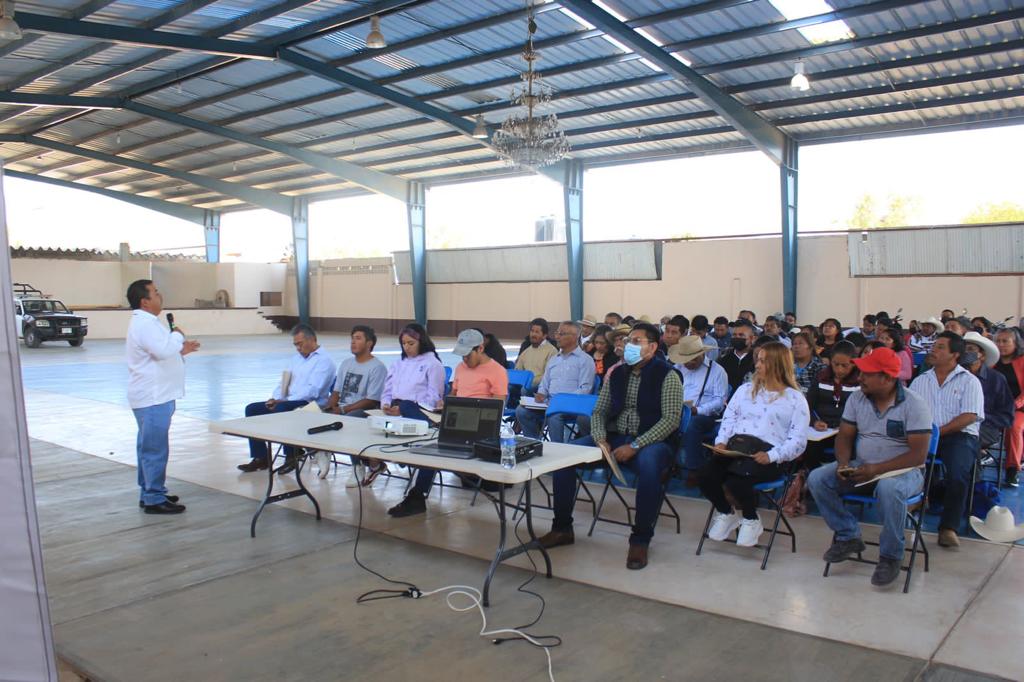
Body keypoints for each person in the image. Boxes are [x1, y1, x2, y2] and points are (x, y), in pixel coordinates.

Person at [539, 323, 683, 570]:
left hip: (651, 441)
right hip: (613, 438)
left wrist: (636, 445)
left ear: (652, 347)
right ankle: (562, 528)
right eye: (629, 341)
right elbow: (599, 412)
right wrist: (599, 437)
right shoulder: (617, 373)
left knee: (650, 468)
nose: (629, 346)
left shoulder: (668, 376)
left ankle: (640, 540)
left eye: (637, 342)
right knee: (566, 457)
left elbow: (670, 420)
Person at [806, 348, 933, 587]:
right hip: (864, 467)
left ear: (887, 378)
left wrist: (878, 469)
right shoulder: (857, 398)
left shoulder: (914, 405)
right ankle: (848, 535)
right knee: (817, 478)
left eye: (867, 373)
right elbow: (844, 437)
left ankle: (891, 556)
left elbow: (918, 456)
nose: (860, 377)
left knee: (889, 488)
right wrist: (843, 464)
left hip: (905, 472)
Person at [390, 329, 509, 517]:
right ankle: (417, 491)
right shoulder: (461, 368)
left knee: (436, 448)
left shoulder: (497, 371)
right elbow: (454, 393)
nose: (464, 360)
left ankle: (417, 495)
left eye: (467, 355)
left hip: (479, 426)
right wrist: (445, 402)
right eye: (461, 356)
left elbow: (498, 406)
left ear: (480, 348)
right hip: (455, 418)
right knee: (409, 409)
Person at [701, 342, 809, 547]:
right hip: (738, 448)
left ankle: (751, 519)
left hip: (768, 455)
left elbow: (798, 440)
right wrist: (721, 442)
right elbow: (729, 418)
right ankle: (726, 512)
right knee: (706, 475)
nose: (757, 365)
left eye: (763, 361)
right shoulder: (745, 390)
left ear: (778, 365)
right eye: (758, 360)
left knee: (737, 480)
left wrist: (773, 455)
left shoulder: (795, 399)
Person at [125, 279, 200, 514]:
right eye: (155, 293)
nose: (160, 295)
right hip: (153, 398)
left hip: (156, 396)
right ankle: (154, 498)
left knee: (148, 447)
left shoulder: (148, 323)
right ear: (144, 302)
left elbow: (161, 354)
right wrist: (177, 337)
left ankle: (149, 491)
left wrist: (180, 351)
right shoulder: (145, 324)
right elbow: (162, 351)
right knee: (155, 449)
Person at [910, 332, 985, 548]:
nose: (933, 349)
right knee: (902, 462)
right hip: (925, 434)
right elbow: (909, 411)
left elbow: (969, 416)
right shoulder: (920, 381)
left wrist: (937, 433)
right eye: (934, 345)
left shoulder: (969, 381)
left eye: (941, 347)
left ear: (955, 354)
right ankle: (913, 502)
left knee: (958, 473)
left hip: (958, 435)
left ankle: (948, 527)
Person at [239, 324, 335, 475]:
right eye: (295, 344)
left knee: (283, 409)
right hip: (288, 401)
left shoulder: (324, 361)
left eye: (300, 343)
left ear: (312, 340)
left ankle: (292, 456)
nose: (297, 348)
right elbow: (284, 382)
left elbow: (313, 391)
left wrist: (285, 402)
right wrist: (275, 398)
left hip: (311, 404)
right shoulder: (295, 359)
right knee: (252, 409)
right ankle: (261, 457)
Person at [382, 324, 447, 517]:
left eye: (411, 343)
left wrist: (403, 408)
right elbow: (387, 389)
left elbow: (434, 397)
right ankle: (374, 465)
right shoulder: (398, 363)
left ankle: (417, 491)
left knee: (408, 407)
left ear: (421, 342)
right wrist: (386, 404)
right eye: (403, 343)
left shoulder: (432, 364)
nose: (407, 347)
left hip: (419, 410)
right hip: (395, 408)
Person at [322, 325, 388, 483]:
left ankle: (358, 466)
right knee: (311, 414)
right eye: (352, 338)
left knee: (350, 420)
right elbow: (336, 392)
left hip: (365, 410)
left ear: (369, 343)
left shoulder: (377, 367)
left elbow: (372, 400)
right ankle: (321, 451)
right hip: (343, 408)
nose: (352, 342)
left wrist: (342, 410)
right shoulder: (346, 363)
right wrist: (329, 407)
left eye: (358, 338)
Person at [515, 321, 595, 443]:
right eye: (557, 333)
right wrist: (541, 393)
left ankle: (557, 448)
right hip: (549, 402)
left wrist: (560, 401)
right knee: (521, 411)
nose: (557, 337)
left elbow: (585, 389)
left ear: (575, 337)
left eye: (561, 334)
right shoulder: (554, 359)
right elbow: (545, 382)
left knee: (554, 414)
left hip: (571, 405)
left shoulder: (585, 360)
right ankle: (534, 443)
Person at [670, 336, 728, 476]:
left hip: (705, 416)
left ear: (702, 354)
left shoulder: (717, 371)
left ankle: (694, 469)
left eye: (694, 359)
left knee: (692, 424)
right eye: (686, 360)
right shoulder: (676, 368)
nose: (689, 363)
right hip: (676, 411)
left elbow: (719, 401)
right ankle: (667, 463)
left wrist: (698, 410)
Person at [804, 340, 861, 470]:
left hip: (848, 430)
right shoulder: (821, 377)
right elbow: (808, 406)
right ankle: (812, 474)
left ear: (853, 363)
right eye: (835, 364)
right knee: (809, 447)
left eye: (844, 365)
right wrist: (815, 421)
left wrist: (847, 426)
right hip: (821, 430)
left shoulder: (859, 381)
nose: (839, 369)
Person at [962, 332, 1013, 457]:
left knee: (963, 440)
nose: (966, 353)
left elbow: (1007, 416)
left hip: (986, 427)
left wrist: (980, 418)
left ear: (982, 355)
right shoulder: (956, 375)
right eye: (964, 349)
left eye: (971, 349)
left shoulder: (996, 379)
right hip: (956, 424)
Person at [994, 328, 1024, 487]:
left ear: (1015, 343)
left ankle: (1012, 469)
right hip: (995, 408)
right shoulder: (992, 362)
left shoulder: (1022, 361)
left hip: (1018, 408)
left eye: (1005, 341)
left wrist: (1014, 405)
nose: (1001, 344)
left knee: (1013, 427)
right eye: (998, 341)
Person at [515, 318, 557, 395]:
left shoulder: (551, 351)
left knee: (524, 389)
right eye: (532, 331)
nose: (533, 334)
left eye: (537, 332)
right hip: (524, 383)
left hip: (540, 386)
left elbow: (549, 376)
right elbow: (518, 370)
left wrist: (529, 382)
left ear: (544, 335)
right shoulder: (526, 351)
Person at [717, 318, 755, 395]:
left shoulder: (757, 359)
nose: (737, 337)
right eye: (734, 335)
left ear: (751, 338)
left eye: (741, 335)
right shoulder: (724, 358)